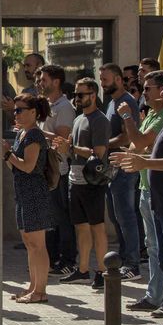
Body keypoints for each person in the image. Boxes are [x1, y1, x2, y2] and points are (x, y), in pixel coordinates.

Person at [112, 70, 163, 325]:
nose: (162, 93)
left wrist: (145, 162)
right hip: (161, 202)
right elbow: (145, 148)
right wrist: (135, 157)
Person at [54, 77, 111, 289]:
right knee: (81, 227)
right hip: (74, 179)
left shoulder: (100, 120)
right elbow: (73, 148)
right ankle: (83, 269)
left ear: (93, 95)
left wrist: (70, 148)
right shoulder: (78, 119)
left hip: (93, 181)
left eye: (80, 94)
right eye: (75, 94)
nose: (76, 99)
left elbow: (98, 153)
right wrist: (64, 147)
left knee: (97, 227)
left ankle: (103, 271)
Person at [5, 94, 54, 303]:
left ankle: (40, 291)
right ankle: (33, 286)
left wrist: (7, 154)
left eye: (20, 110)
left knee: (37, 244)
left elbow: (28, 166)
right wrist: (7, 156)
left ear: (33, 112)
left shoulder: (34, 135)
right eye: (15, 110)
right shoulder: (22, 134)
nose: (16, 113)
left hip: (35, 193)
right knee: (28, 242)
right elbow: (14, 166)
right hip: (23, 192)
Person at [100, 63, 143, 280]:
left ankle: (133, 264)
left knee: (126, 215)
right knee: (117, 216)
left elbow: (128, 136)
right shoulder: (112, 103)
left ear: (118, 79)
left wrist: (105, 144)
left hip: (124, 167)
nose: (102, 83)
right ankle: (125, 259)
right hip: (112, 167)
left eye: (105, 79)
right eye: (101, 79)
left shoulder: (127, 102)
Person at [36, 64, 78, 277]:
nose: (40, 83)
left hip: (58, 169)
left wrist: (36, 132)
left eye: (44, 80)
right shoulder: (46, 105)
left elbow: (62, 138)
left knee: (62, 217)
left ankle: (68, 260)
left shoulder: (64, 108)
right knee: (49, 218)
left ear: (56, 82)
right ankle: (51, 259)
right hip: (44, 169)